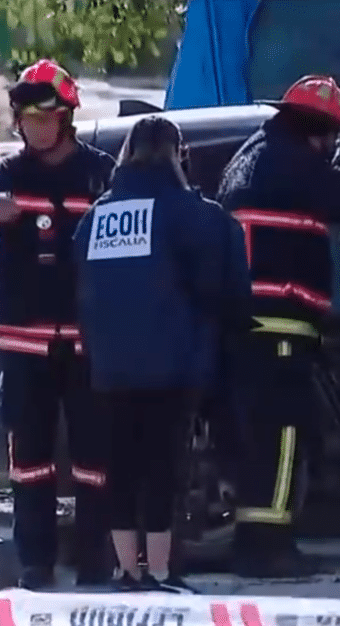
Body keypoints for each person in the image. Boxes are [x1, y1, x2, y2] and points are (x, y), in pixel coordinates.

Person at [0, 59, 115, 590]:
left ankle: (94, 560)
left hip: (87, 346)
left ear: (66, 117)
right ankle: (36, 563)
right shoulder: (4, 177)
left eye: (46, 115)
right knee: (30, 461)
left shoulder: (102, 173)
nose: (35, 125)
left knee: (93, 460)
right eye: (26, 115)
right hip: (25, 346)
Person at [73, 115, 243, 592]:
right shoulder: (191, 212)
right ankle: (162, 572)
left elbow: (82, 284)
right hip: (172, 362)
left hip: (110, 366)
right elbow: (224, 285)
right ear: (177, 155)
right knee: (164, 469)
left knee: (121, 468)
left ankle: (127, 570)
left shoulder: (97, 217)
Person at [216, 74, 340, 577]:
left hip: (244, 322)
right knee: (282, 438)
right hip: (281, 322)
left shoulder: (249, 155)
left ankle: (254, 538)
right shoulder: (303, 163)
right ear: (320, 130)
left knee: (255, 435)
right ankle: (267, 546)